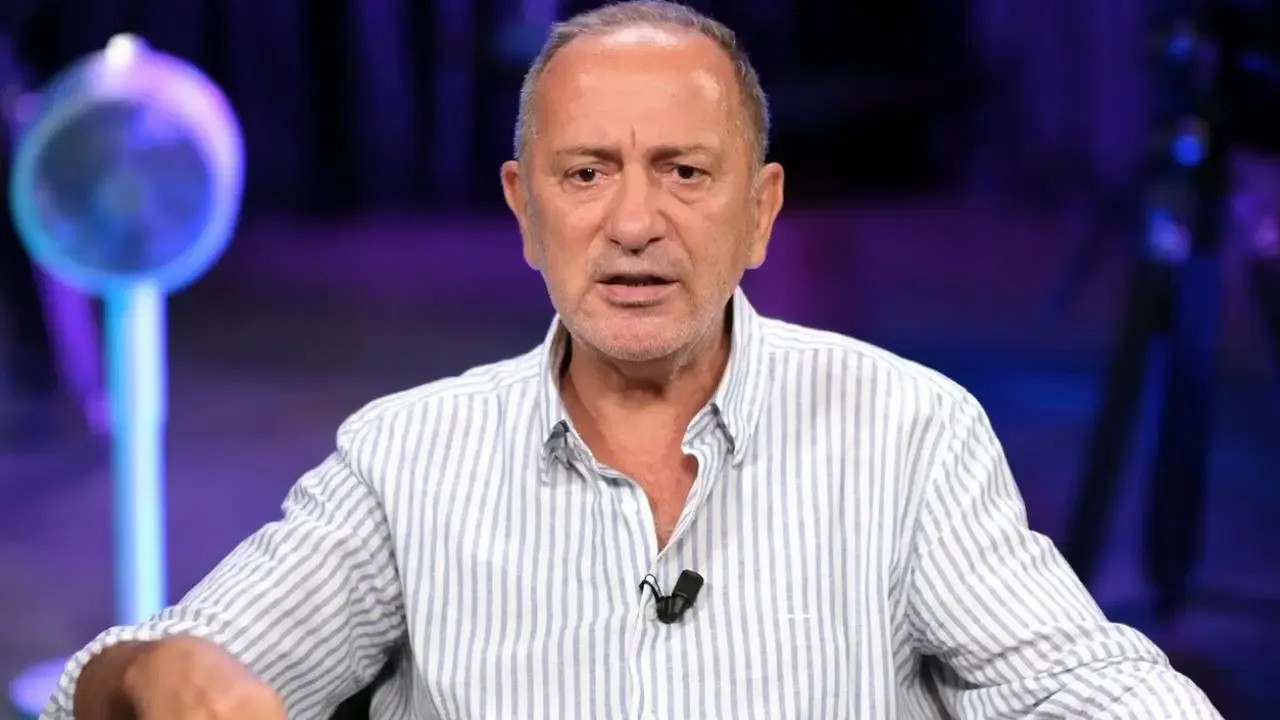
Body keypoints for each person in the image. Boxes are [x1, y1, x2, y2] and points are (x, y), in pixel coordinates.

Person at [47, 2, 1224, 718]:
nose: (632, 223)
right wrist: (155, 675)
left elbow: (1078, 682)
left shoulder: (908, 434)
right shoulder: (403, 460)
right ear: (523, 211)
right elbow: (114, 683)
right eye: (585, 173)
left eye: (684, 173)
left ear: (761, 212)